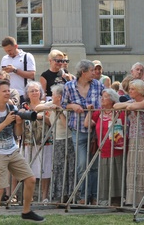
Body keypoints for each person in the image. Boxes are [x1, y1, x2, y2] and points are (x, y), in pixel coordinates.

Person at [0, 79, 44, 224]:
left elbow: (18, 133)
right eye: (4, 91)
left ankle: (26, 211)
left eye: (9, 90)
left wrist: (19, 123)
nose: (8, 93)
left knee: (30, 179)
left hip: (12, 150)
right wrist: (5, 122)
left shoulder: (12, 108)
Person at [62, 59, 103, 205]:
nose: (95, 73)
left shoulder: (98, 85)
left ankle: (94, 196)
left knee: (94, 165)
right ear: (83, 72)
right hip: (78, 129)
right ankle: (83, 195)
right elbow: (63, 104)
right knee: (82, 164)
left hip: (95, 128)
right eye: (92, 70)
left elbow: (106, 99)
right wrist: (72, 106)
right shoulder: (69, 86)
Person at [113, 79, 144, 211]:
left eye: (132, 89)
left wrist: (127, 105)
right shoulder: (132, 101)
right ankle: (135, 200)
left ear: (139, 91)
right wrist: (127, 105)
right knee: (134, 168)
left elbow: (136, 106)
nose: (129, 91)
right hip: (133, 139)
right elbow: (115, 106)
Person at [84, 88, 125, 206]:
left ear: (112, 100)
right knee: (105, 174)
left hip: (117, 149)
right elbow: (87, 124)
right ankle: (108, 200)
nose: (102, 98)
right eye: (102, 96)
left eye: (105, 96)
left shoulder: (119, 112)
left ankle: (117, 199)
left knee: (117, 173)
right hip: (103, 149)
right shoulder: (100, 111)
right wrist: (90, 112)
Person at [35, 84, 75, 203]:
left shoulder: (66, 106)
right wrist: (48, 107)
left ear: (59, 96)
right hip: (56, 140)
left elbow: (66, 125)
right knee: (57, 167)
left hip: (67, 140)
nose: (51, 96)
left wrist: (60, 112)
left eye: (53, 95)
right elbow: (37, 107)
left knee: (68, 167)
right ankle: (58, 195)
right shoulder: (51, 104)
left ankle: (70, 195)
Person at [21, 81, 52, 203]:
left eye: (36, 90)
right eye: (31, 91)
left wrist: (42, 117)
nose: (34, 93)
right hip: (29, 141)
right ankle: (29, 196)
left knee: (46, 167)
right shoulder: (24, 107)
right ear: (27, 94)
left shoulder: (46, 105)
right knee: (29, 169)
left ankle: (44, 196)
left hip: (46, 141)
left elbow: (51, 121)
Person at [0, 36, 36, 103]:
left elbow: (32, 75)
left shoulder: (27, 56)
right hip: (8, 95)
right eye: (6, 51)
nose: (8, 53)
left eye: (10, 50)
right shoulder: (4, 58)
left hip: (23, 94)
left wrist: (14, 70)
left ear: (16, 46)